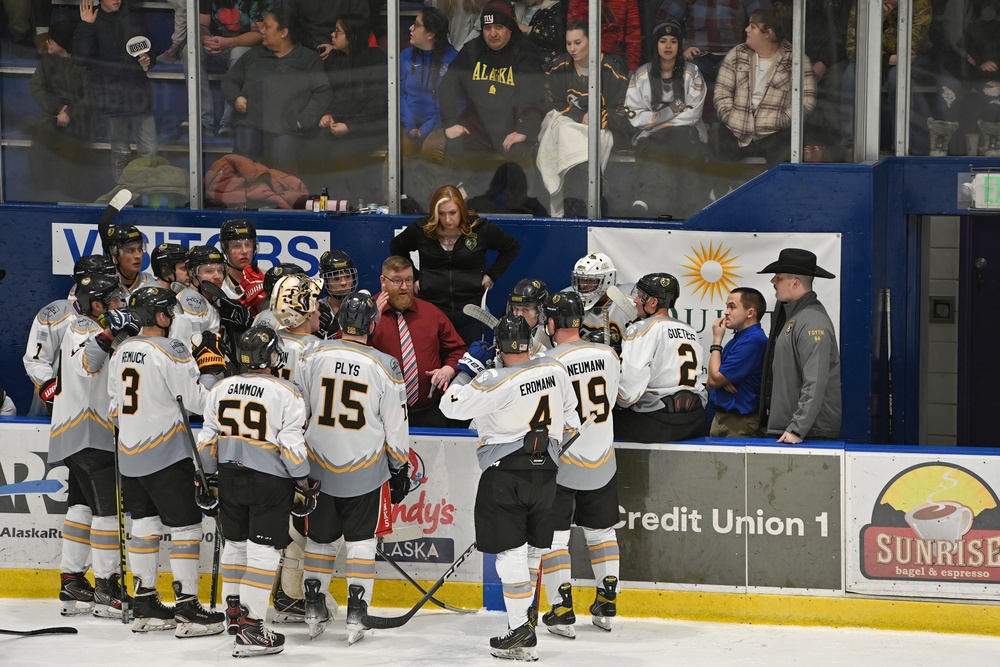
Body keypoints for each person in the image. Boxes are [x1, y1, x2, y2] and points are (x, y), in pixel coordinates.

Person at [440, 314, 580, 661]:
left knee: (512, 555)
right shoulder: (555, 369)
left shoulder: (492, 379)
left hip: (505, 476)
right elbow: (573, 421)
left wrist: (466, 369)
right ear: (531, 342)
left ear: (498, 347)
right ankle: (526, 620)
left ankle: (520, 629)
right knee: (533, 552)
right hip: (547, 474)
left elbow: (449, 406)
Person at [107, 285, 226, 636]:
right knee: (186, 526)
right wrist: (210, 367)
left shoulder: (122, 350)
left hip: (129, 454)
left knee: (143, 524)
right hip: (167, 454)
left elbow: (113, 408)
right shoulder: (172, 349)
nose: (172, 319)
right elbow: (199, 402)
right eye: (169, 314)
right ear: (160, 316)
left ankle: (144, 601)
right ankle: (188, 606)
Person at [297, 292, 411, 644]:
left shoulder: (312, 354)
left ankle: (313, 605)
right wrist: (399, 466)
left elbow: (297, 410)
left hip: (317, 469)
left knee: (319, 541)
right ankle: (357, 612)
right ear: (373, 325)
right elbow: (396, 425)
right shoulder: (386, 365)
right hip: (366, 470)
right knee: (361, 543)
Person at [197, 325, 313, 657]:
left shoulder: (220, 387)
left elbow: (207, 440)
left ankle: (234, 613)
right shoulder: (287, 392)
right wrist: (303, 481)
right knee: (263, 553)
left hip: (230, 478)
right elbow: (291, 446)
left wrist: (207, 478)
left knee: (234, 545)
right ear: (270, 356)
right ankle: (251, 628)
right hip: (269, 482)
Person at [537, 291, 622, 637]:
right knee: (602, 532)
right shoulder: (608, 354)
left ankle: (560, 609)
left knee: (555, 539)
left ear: (552, 322)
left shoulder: (548, 362)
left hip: (562, 463)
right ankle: (606, 604)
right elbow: (614, 398)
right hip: (602, 457)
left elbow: (543, 415)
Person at [49, 273, 129, 619]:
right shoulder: (84, 328)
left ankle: (71, 579)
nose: (121, 304)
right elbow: (87, 364)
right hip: (89, 434)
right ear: (97, 304)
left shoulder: (83, 324)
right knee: (107, 512)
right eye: (114, 300)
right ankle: (106, 585)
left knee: (80, 507)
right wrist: (112, 333)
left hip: (76, 432)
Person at [390, 184, 521, 344]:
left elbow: (511, 247)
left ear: (461, 210)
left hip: (470, 309)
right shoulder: (422, 229)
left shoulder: (479, 228)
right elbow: (397, 247)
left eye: (452, 213)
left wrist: (491, 275)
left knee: (467, 362)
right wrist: (415, 278)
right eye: (441, 214)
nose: (447, 219)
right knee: (433, 361)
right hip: (432, 308)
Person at [222, 4, 333, 174]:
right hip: (253, 123)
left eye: (267, 27)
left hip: (288, 127)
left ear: (284, 32)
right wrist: (236, 97)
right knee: (244, 149)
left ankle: (286, 198)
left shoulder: (308, 59)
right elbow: (230, 80)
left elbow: (322, 93)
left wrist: (302, 120)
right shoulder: (254, 55)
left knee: (283, 152)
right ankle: (242, 199)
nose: (262, 31)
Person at [438, 0, 546, 175]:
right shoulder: (473, 50)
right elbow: (449, 84)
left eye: (499, 27)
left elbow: (533, 94)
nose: (492, 34)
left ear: (510, 28)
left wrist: (525, 129)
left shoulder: (525, 50)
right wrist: (450, 122)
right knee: (455, 148)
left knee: (520, 160)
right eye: (487, 28)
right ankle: (466, 197)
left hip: (512, 127)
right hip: (478, 127)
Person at [537, 22, 630, 218]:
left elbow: (620, 110)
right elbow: (551, 103)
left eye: (578, 42)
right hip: (567, 125)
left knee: (584, 141)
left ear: (592, 41)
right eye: (569, 43)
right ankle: (577, 203)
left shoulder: (613, 69)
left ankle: (577, 206)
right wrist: (580, 116)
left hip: (600, 129)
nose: (572, 49)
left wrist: (597, 118)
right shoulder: (559, 66)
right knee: (563, 130)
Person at [626, 20, 710, 219]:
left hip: (685, 136)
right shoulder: (641, 75)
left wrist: (657, 122)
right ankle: (678, 206)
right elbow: (635, 116)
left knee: (670, 140)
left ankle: (647, 199)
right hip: (653, 138)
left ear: (679, 45)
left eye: (673, 41)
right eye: (663, 41)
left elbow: (693, 114)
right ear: (656, 44)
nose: (668, 46)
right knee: (662, 143)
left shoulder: (692, 72)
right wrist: (670, 112)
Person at [715, 4, 817, 167]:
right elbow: (721, 94)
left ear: (767, 34)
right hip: (737, 130)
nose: (747, 29)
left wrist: (781, 120)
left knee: (785, 161)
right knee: (722, 140)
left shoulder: (796, 59)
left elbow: (807, 100)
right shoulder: (736, 54)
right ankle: (724, 191)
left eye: (753, 27)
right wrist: (732, 118)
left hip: (776, 132)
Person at [370, 255, 467, 427]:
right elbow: (345, 350)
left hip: (429, 413)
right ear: (382, 281)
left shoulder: (431, 312)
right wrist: (367, 325)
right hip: (379, 416)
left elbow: (457, 350)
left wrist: (448, 370)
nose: (404, 287)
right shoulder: (366, 311)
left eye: (408, 280)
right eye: (397, 281)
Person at [756, 248, 841, 442]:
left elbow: (815, 380)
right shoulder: (794, 316)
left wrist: (797, 428)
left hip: (807, 435)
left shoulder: (812, 321)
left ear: (794, 283)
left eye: (778, 277)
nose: (772, 282)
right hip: (792, 431)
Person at [614, 272, 707, 443]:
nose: (635, 301)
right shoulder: (690, 330)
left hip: (655, 423)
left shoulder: (641, 329)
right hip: (695, 421)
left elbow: (628, 394)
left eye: (640, 296)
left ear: (653, 302)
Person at [74, 0, 158, 182]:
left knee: (150, 151)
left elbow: (149, 50)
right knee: (120, 152)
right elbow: (80, 58)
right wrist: (86, 26)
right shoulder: (92, 20)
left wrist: (147, 59)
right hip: (112, 96)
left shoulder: (133, 17)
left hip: (139, 94)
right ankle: (122, 197)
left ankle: (148, 195)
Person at [23, 254, 116, 416]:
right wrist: (53, 392)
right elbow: (36, 361)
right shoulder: (55, 314)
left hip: (101, 410)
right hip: (54, 413)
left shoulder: (119, 316)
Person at [314, 14, 388, 197]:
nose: (332, 35)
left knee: (342, 152)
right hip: (339, 124)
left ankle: (345, 204)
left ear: (352, 36)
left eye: (337, 32)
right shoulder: (335, 60)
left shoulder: (376, 60)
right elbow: (329, 93)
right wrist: (327, 114)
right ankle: (322, 203)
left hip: (370, 127)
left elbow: (377, 104)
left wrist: (351, 126)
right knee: (314, 146)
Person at [28, 19, 98, 202]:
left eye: (51, 39)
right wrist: (59, 107)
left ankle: (71, 201)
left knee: (70, 153)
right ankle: (44, 199)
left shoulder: (83, 65)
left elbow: (91, 97)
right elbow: (36, 87)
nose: (47, 43)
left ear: (63, 42)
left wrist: (71, 112)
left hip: (80, 122)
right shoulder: (46, 61)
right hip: (50, 117)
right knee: (38, 147)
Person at [194, 0, 268, 136]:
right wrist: (205, 39)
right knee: (191, 50)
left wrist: (228, 43)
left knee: (238, 53)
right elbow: (202, 24)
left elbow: (259, 34)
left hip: (244, 48)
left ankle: (228, 122)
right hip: (217, 48)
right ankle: (203, 119)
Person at [654, 0, 771, 85]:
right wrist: (682, 46)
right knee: (686, 76)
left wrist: (750, 47)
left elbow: (766, 19)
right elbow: (665, 19)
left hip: (733, 54)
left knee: (739, 75)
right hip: (696, 55)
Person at [400, 7, 459, 163]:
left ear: (430, 34)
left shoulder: (453, 60)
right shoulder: (405, 56)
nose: (410, 28)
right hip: (409, 121)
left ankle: (432, 188)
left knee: (432, 148)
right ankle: (394, 188)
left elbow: (459, 102)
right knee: (398, 150)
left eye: (417, 25)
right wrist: (409, 122)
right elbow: (398, 92)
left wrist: (426, 128)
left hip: (440, 123)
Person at [707, 287, 768, 437]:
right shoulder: (738, 339)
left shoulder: (754, 341)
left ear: (750, 312)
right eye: (727, 307)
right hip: (721, 418)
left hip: (740, 424)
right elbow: (711, 382)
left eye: (732, 307)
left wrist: (716, 341)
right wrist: (722, 379)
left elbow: (715, 379)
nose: (726, 312)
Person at [150, 242, 221, 348]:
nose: (189, 273)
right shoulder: (153, 298)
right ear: (165, 270)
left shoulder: (177, 296)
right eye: (184, 269)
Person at [570, 251, 631, 353]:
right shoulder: (571, 305)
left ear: (608, 280)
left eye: (589, 280)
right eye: (580, 280)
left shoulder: (629, 307)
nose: (583, 285)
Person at [270, 273, 322, 385]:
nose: (320, 313)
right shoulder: (316, 349)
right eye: (316, 309)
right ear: (308, 314)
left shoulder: (270, 340)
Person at [567, 0, 642, 71]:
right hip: (584, 59)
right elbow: (573, 32)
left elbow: (633, 36)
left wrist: (631, 68)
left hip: (616, 60)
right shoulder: (578, 2)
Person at [102, 223, 157, 294]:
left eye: (140, 249)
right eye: (130, 251)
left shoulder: (152, 286)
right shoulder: (104, 289)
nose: (138, 256)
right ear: (114, 254)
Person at [316, 249, 359, 339]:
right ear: (326, 281)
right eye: (336, 279)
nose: (343, 283)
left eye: (347, 276)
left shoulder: (362, 307)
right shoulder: (316, 310)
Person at [513, 0, 564, 71]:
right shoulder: (516, 7)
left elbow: (555, 36)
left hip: (543, 62)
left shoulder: (555, 8)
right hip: (518, 57)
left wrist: (530, 30)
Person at [507, 277, 552, 354]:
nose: (519, 315)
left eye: (526, 310)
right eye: (516, 309)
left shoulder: (550, 335)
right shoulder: (506, 332)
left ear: (541, 310)